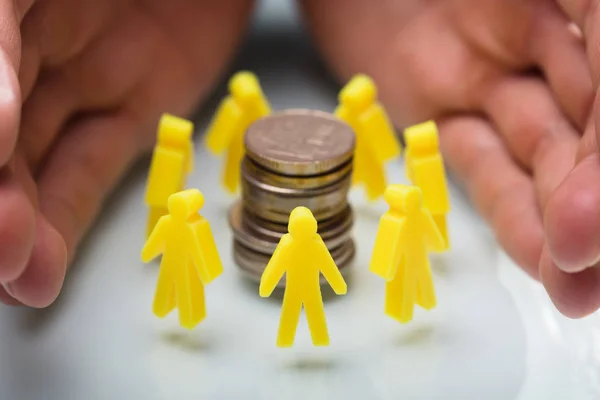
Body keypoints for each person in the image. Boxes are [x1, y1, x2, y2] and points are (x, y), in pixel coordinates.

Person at [0, 0, 598, 319]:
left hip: (353, 252)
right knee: (198, 294)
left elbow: (385, 230)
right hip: (294, 251)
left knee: (373, 290)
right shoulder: (270, 204)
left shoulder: (362, 201)